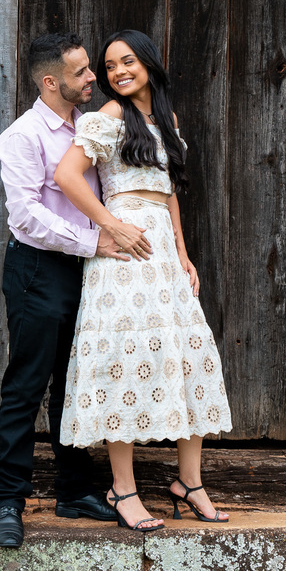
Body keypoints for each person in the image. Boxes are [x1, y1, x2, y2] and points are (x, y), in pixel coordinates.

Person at [54, 29, 233, 533]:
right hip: (125, 253)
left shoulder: (166, 119)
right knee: (125, 364)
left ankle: (189, 482)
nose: (117, 73)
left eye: (126, 61)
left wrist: (183, 251)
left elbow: (169, 190)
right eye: (110, 66)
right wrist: (110, 225)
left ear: (149, 63)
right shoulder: (108, 118)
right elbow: (68, 177)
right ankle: (123, 489)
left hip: (162, 255)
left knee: (185, 355)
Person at [0, 32, 137, 548]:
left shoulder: (91, 127)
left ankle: (74, 491)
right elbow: (25, 217)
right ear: (51, 82)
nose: (93, 77)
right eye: (81, 73)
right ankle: (9, 500)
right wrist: (94, 241)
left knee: (76, 380)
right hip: (39, 269)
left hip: (87, 271)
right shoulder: (23, 136)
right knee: (27, 384)